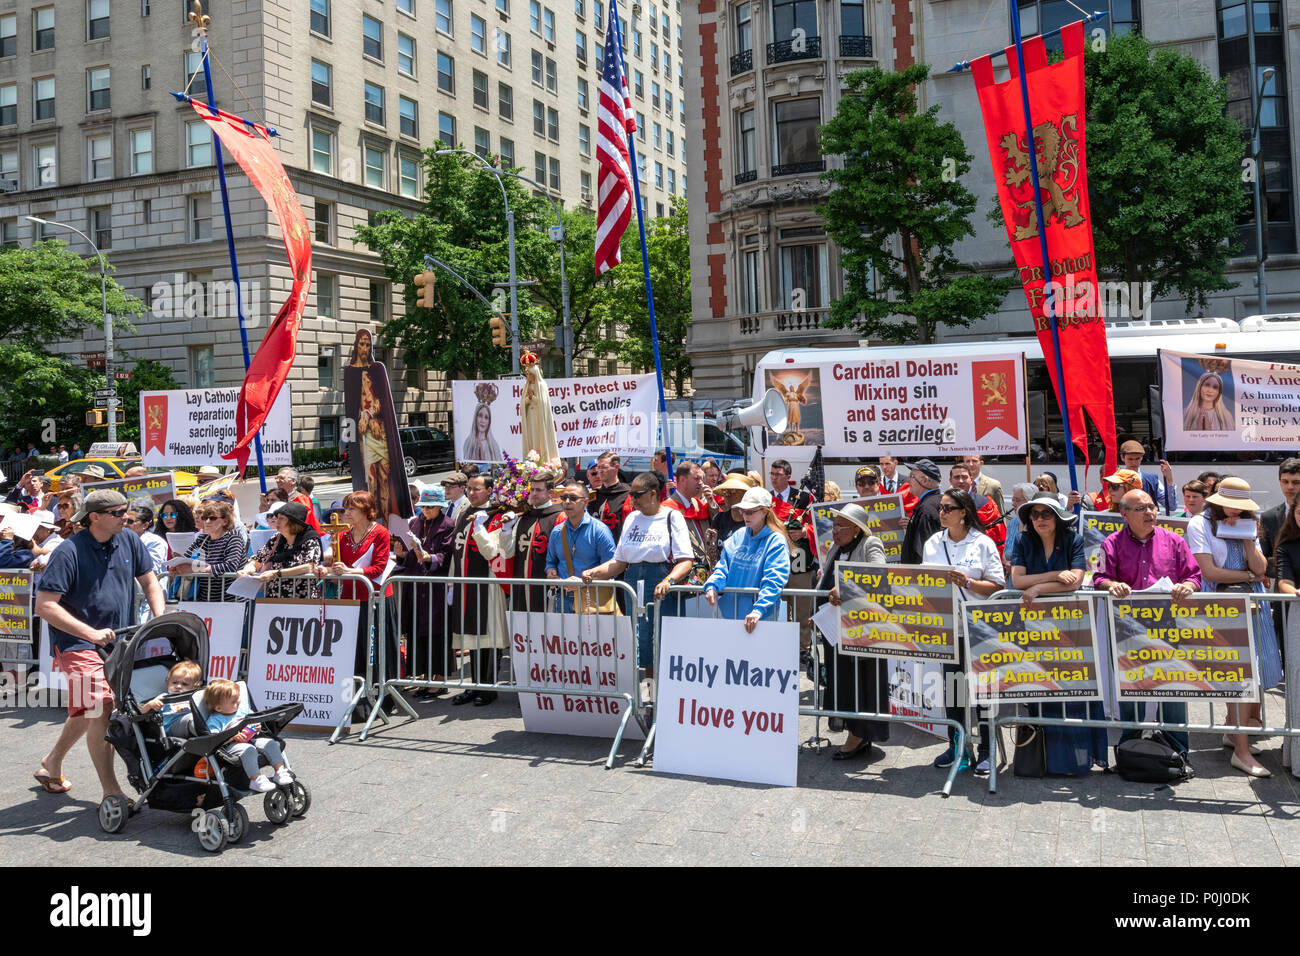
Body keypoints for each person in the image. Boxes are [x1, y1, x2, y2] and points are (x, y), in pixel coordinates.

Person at [34, 489, 165, 800]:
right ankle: (111, 792)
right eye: (119, 513)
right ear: (95, 517)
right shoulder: (68, 552)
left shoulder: (130, 540)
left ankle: (51, 762)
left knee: (87, 708)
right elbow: (45, 606)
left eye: (127, 512)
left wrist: (160, 618)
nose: (127, 518)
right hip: (76, 644)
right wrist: (89, 633)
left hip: (118, 641)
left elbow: (149, 580)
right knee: (101, 706)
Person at [1186, 477, 1282, 777]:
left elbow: (1261, 568)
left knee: (1251, 669)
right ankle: (1240, 750)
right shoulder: (1199, 524)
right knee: (1236, 672)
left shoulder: (1247, 524)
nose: (1235, 512)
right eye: (1231, 506)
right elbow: (1210, 572)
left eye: (1241, 508)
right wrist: (1251, 577)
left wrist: (1244, 538)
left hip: (1251, 603)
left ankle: (1233, 731)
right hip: (1221, 604)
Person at [1093, 489, 1202, 752]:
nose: (1150, 512)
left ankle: (1177, 751)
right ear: (1124, 514)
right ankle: (1129, 748)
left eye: (1152, 507)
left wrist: (1187, 586)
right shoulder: (1112, 543)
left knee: (1172, 690)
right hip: (1128, 628)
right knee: (1131, 689)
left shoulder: (1174, 541)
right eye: (1141, 509)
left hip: (1168, 626)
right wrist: (1112, 585)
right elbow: (1099, 578)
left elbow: (1194, 576)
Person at [1009, 494, 1105, 775]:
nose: (1039, 519)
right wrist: (1056, 574)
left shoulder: (1073, 539)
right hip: (1035, 627)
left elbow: (1076, 579)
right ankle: (1044, 760)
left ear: (1058, 517)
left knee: (1074, 689)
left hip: (1071, 625)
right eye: (1035, 514)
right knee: (1042, 686)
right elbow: (1017, 581)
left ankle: (1075, 761)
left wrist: (1039, 588)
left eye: (1046, 514)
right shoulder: (1023, 540)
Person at [923, 488, 1005, 775]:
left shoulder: (982, 543)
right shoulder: (933, 542)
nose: (941, 513)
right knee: (954, 691)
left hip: (980, 627)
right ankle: (958, 747)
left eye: (948, 508)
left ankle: (987, 750)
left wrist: (967, 583)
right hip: (947, 628)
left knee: (983, 691)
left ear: (964, 512)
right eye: (941, 508)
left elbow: (997, 585)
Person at [582, 472, 694, 678]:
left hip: (660, 582)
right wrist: (594, 573)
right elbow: (620, 561)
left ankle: (661, 694)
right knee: (639, 640)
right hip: (633, 582)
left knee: (660, 640)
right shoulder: (632, 518)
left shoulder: (672, 516)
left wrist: (668, 580)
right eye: (631, 494)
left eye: (636, 494)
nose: (631, 499)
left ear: (653, 494)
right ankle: (645, 693)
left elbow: (686, 560)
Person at [817, 504, 891, 760]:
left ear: (857, 529)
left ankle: (860, 733)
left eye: (841, 527)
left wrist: (846, 589)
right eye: (833, 526)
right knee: (842, 679)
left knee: (863, 680)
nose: (835, 531)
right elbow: (824, 582)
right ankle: (852, 728)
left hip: (861, 629)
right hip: (834, 627)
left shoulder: (871, 544)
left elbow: (878, 574)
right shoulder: (836, 548)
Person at [323, 491, 392, 682]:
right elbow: (337, 566)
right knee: (353, 647)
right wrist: (327, 570)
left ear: (366, 510)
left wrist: (350, 571)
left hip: (374, 597)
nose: (347, 513)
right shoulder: (343, 536)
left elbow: (378, 568)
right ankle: (356, 690)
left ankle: (381, 689)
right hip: (350, 598)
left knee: (375, 647)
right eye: (346, 508)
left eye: (352, 509)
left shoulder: (380, 533)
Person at [702, 487, 793, 633]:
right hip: (730, 614)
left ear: (765, 511)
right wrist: (712, 585)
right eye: (742, 510)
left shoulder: (776, 541)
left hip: (762, 618)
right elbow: (723, 567)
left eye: (750, 511)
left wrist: (759, 609)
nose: (745, 515)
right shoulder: (738, 535)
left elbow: (774, 579)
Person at [448, 474, 499, 705]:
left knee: (486, 637)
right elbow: (455, 549)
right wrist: (451, 582)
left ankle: (488, 687)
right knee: (469, 637)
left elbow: (493, 552)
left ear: (489, 490)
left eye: (476, 489)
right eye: (469, 488)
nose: (471, 492)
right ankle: (475, 684)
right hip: (463, 583)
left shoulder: (496, 515)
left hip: (485, 584)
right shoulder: (464, 514)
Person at [402, 486, 457, 697]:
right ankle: (423, 676)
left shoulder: (448, 524)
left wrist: (429, 558)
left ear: (440, 506)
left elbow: (446, 553)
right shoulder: (415, 523)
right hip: (416, 585)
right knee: (417, 632)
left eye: (430, 507)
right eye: (423, 506)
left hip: (436, 587)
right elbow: (408, 554)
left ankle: (440, 678)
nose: (426, 510)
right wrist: (401, 554)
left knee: (438, 632)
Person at [203, 678, 293, 793]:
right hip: (231, 745)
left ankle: (280, 772)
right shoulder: (215, 720)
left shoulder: (243, 710)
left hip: (251, 738)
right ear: (219, 708)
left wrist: (257, 727)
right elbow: (214, 739)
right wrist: (232, 737)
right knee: (248, 750)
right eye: (233, 701)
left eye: (238, 698)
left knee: (270, 743)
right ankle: (255, 780)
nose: (238, 702)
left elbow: (254, 720)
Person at [546, 480, 616, 613]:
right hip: (563, 599)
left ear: (585, 502)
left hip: (592, 599)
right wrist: (551, 572)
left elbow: (612, 566)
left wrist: (584, 580)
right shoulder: (556, 532)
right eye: (564, 497)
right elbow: (551, 562)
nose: (567, 502)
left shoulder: (599, 530)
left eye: (573, 498)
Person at [238, 502, 323, 599]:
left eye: (281, 518)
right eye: (277, 517)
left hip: (302, 600)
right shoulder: (276, 538)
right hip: (275, 599)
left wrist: (276, 573)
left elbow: (310, 567)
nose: (277, 522)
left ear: (293, 522)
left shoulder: (311, 539)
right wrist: (246, 570)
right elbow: (257, 560)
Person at [510, 471, 565, 611]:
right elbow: (510, 550)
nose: (533, 493)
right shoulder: (524, 517)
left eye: (538, 490)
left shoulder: (560, 517)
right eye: (532, 489)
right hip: (521, 583)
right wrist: (505, 531)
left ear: (550, 493)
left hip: (546, 583)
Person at [175, 500, 246, 602]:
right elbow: (186, 559)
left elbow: (230, 565)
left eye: (212, 518)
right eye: (205, 518)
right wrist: (177, 566)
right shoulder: (202, 539)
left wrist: (196, 569)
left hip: (231, 600)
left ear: (225, 521)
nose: (207, 521)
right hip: (205, 599)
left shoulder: (233, 537)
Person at [949, 462, 1006, 555]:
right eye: (956, 477)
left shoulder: (985, 504)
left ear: (971, 480)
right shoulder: (943, 504)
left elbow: (997, 535)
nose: (961, 481)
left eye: (964, 477)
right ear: (950, 481)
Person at [140, 660, 201, 737]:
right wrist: (150, 704)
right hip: (172, 728)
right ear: (167, 682)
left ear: (194, 686)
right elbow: (141, 713)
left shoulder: (194, 697)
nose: (178, 686)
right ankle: (207, 736)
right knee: (191, 719)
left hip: (191, 724)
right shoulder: (163, 697)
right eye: (174, 682)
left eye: (184, 684)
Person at [900, 459, 943, 564]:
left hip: (920, 576)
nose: (908, 481)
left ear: (925, 480)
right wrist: (912, 524)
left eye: (912, 477)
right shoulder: (936, 501)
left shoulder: (926, 509)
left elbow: (924, 551)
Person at [589, 452, 636, 545]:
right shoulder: (594, 494)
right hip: (595, 547)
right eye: (599, 468)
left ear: (616, 467)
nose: (600, 471)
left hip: (618, 547)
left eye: (604, 467)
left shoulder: (628, 494)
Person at [1120, 439, 1178, 514]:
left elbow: (1171, 506)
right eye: (1130, 459)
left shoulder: (1152, 480)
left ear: (1141, 458)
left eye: (1137, 458)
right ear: (1122, 457)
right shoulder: (1116, 480)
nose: (1134, 463)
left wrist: (1169, 481)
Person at [124, 501, 168, 580]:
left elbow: (151, 569)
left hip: (149, 590)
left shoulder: (155, 542)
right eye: (125, 520)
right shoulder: (122, 540)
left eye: (130, 521)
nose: (125, 524)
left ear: (145, 525)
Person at [275, 467, 323, 534]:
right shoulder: (274, 497)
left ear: (293, 481)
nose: (277, 480)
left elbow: (306, 522)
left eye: (282, 478)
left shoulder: (302, 499)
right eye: (277, 478)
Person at [1002, 482, 1038, 551]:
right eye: (1013, 500)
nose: (1013, 504)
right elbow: (1005, 550)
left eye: (1017, 500)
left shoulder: (1037, 524)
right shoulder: (1013, 523)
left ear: (1029, 501)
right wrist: (1006, 562)